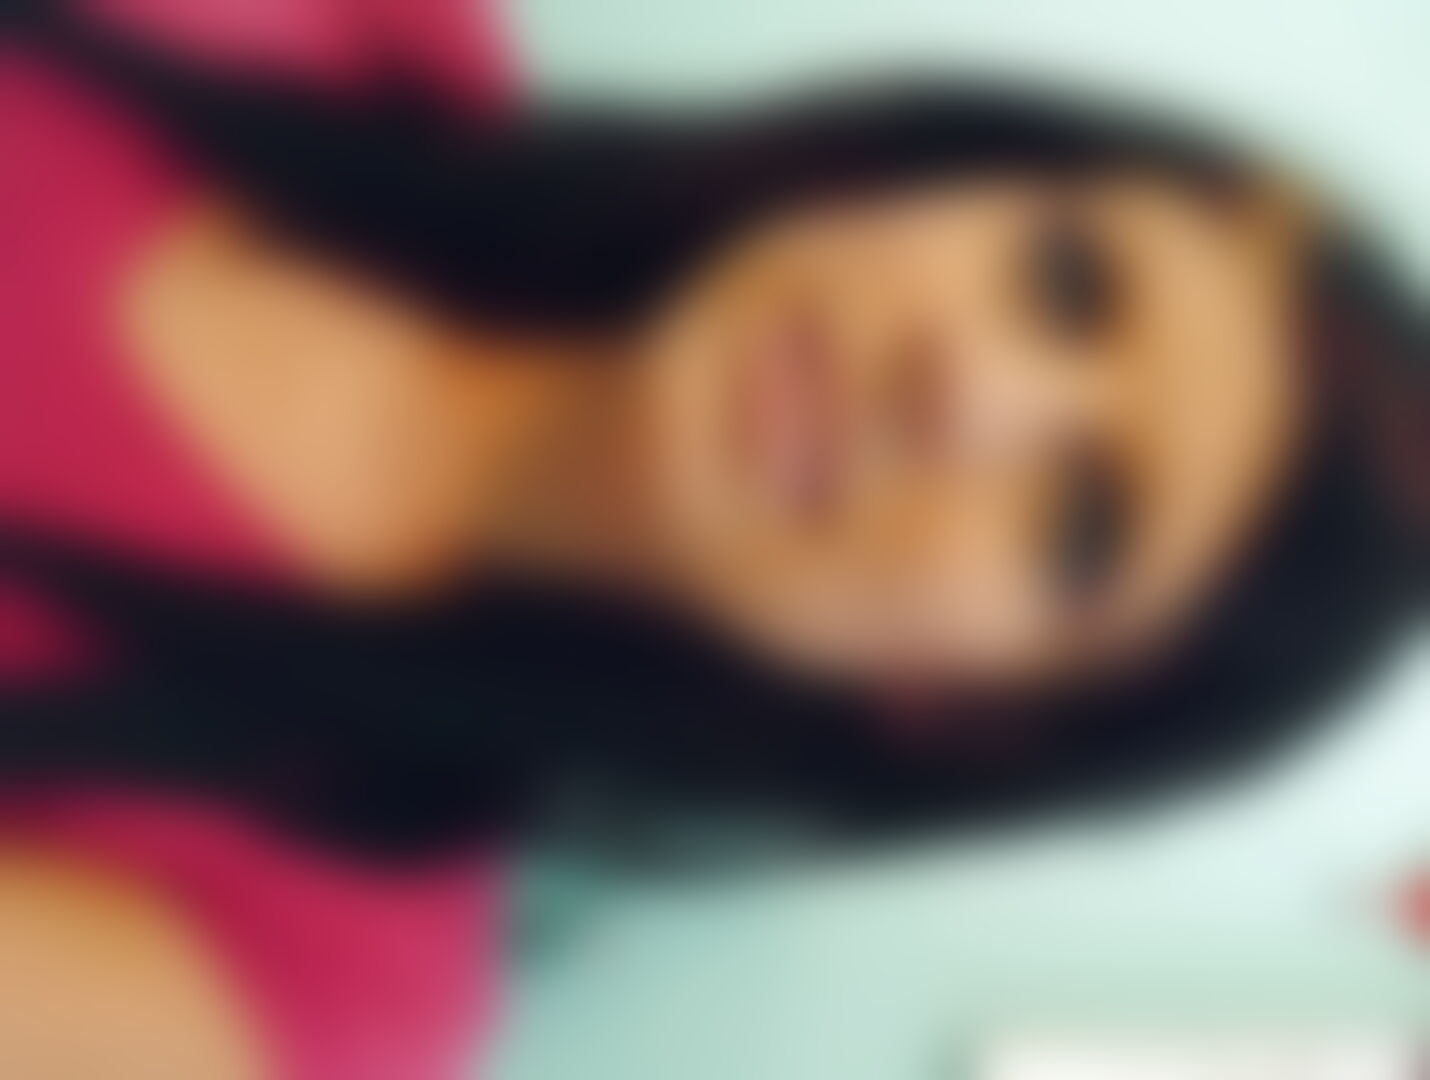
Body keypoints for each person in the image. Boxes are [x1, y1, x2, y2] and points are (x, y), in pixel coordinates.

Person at [0, 0, 1424, 1076]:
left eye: (1078, 524)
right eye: (1061, 279)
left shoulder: (314, 983)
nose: (963, 383)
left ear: (965, 715)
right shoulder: (361, 29)